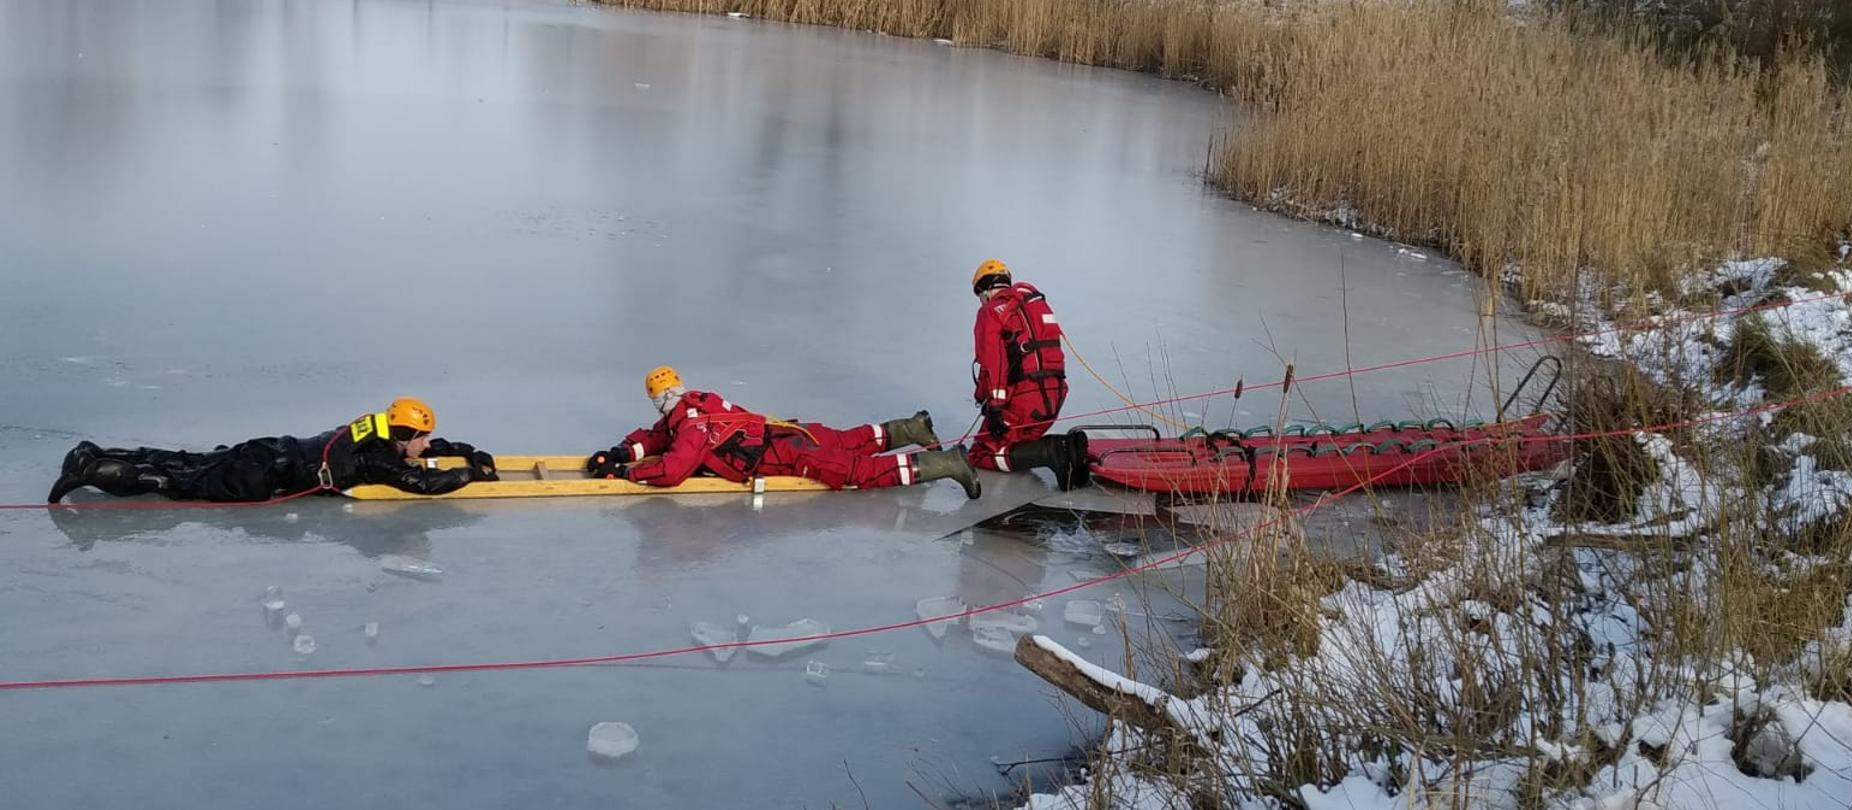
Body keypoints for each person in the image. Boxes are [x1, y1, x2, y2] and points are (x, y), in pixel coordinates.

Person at [586, 366, 980, 499]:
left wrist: (627, 474)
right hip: (788, 432)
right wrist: (623, 451)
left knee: (859, 473)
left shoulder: (690, 426)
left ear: (658, 400)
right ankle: (910, 427)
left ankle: (945, 462)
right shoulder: (695, 404)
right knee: (846, 439)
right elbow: (658, 437)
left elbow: (673, 470)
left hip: (790, 456)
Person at [46, 397, 499, 503]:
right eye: (422, 438)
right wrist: (471, 475)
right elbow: (421, 481)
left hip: (270, 449)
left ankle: (96, 450)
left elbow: (417, 454)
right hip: (262, 478)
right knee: (174, 481)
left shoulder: (373, 430)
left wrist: (460, 447)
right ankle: (89, 470)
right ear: (401, 435)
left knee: (185, 460)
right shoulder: (378, 457)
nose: (426, 444)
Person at [969, 258, 1085, 488]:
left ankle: (1051, 450)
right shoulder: (1034, 304)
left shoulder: (991, 313)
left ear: (985, 290)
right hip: (1054, 397)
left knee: (981, 453)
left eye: (980, 296)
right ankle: (1069, 451)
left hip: (1023, 401)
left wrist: (994, 406)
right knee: (1020, 441)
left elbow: (994, 364)